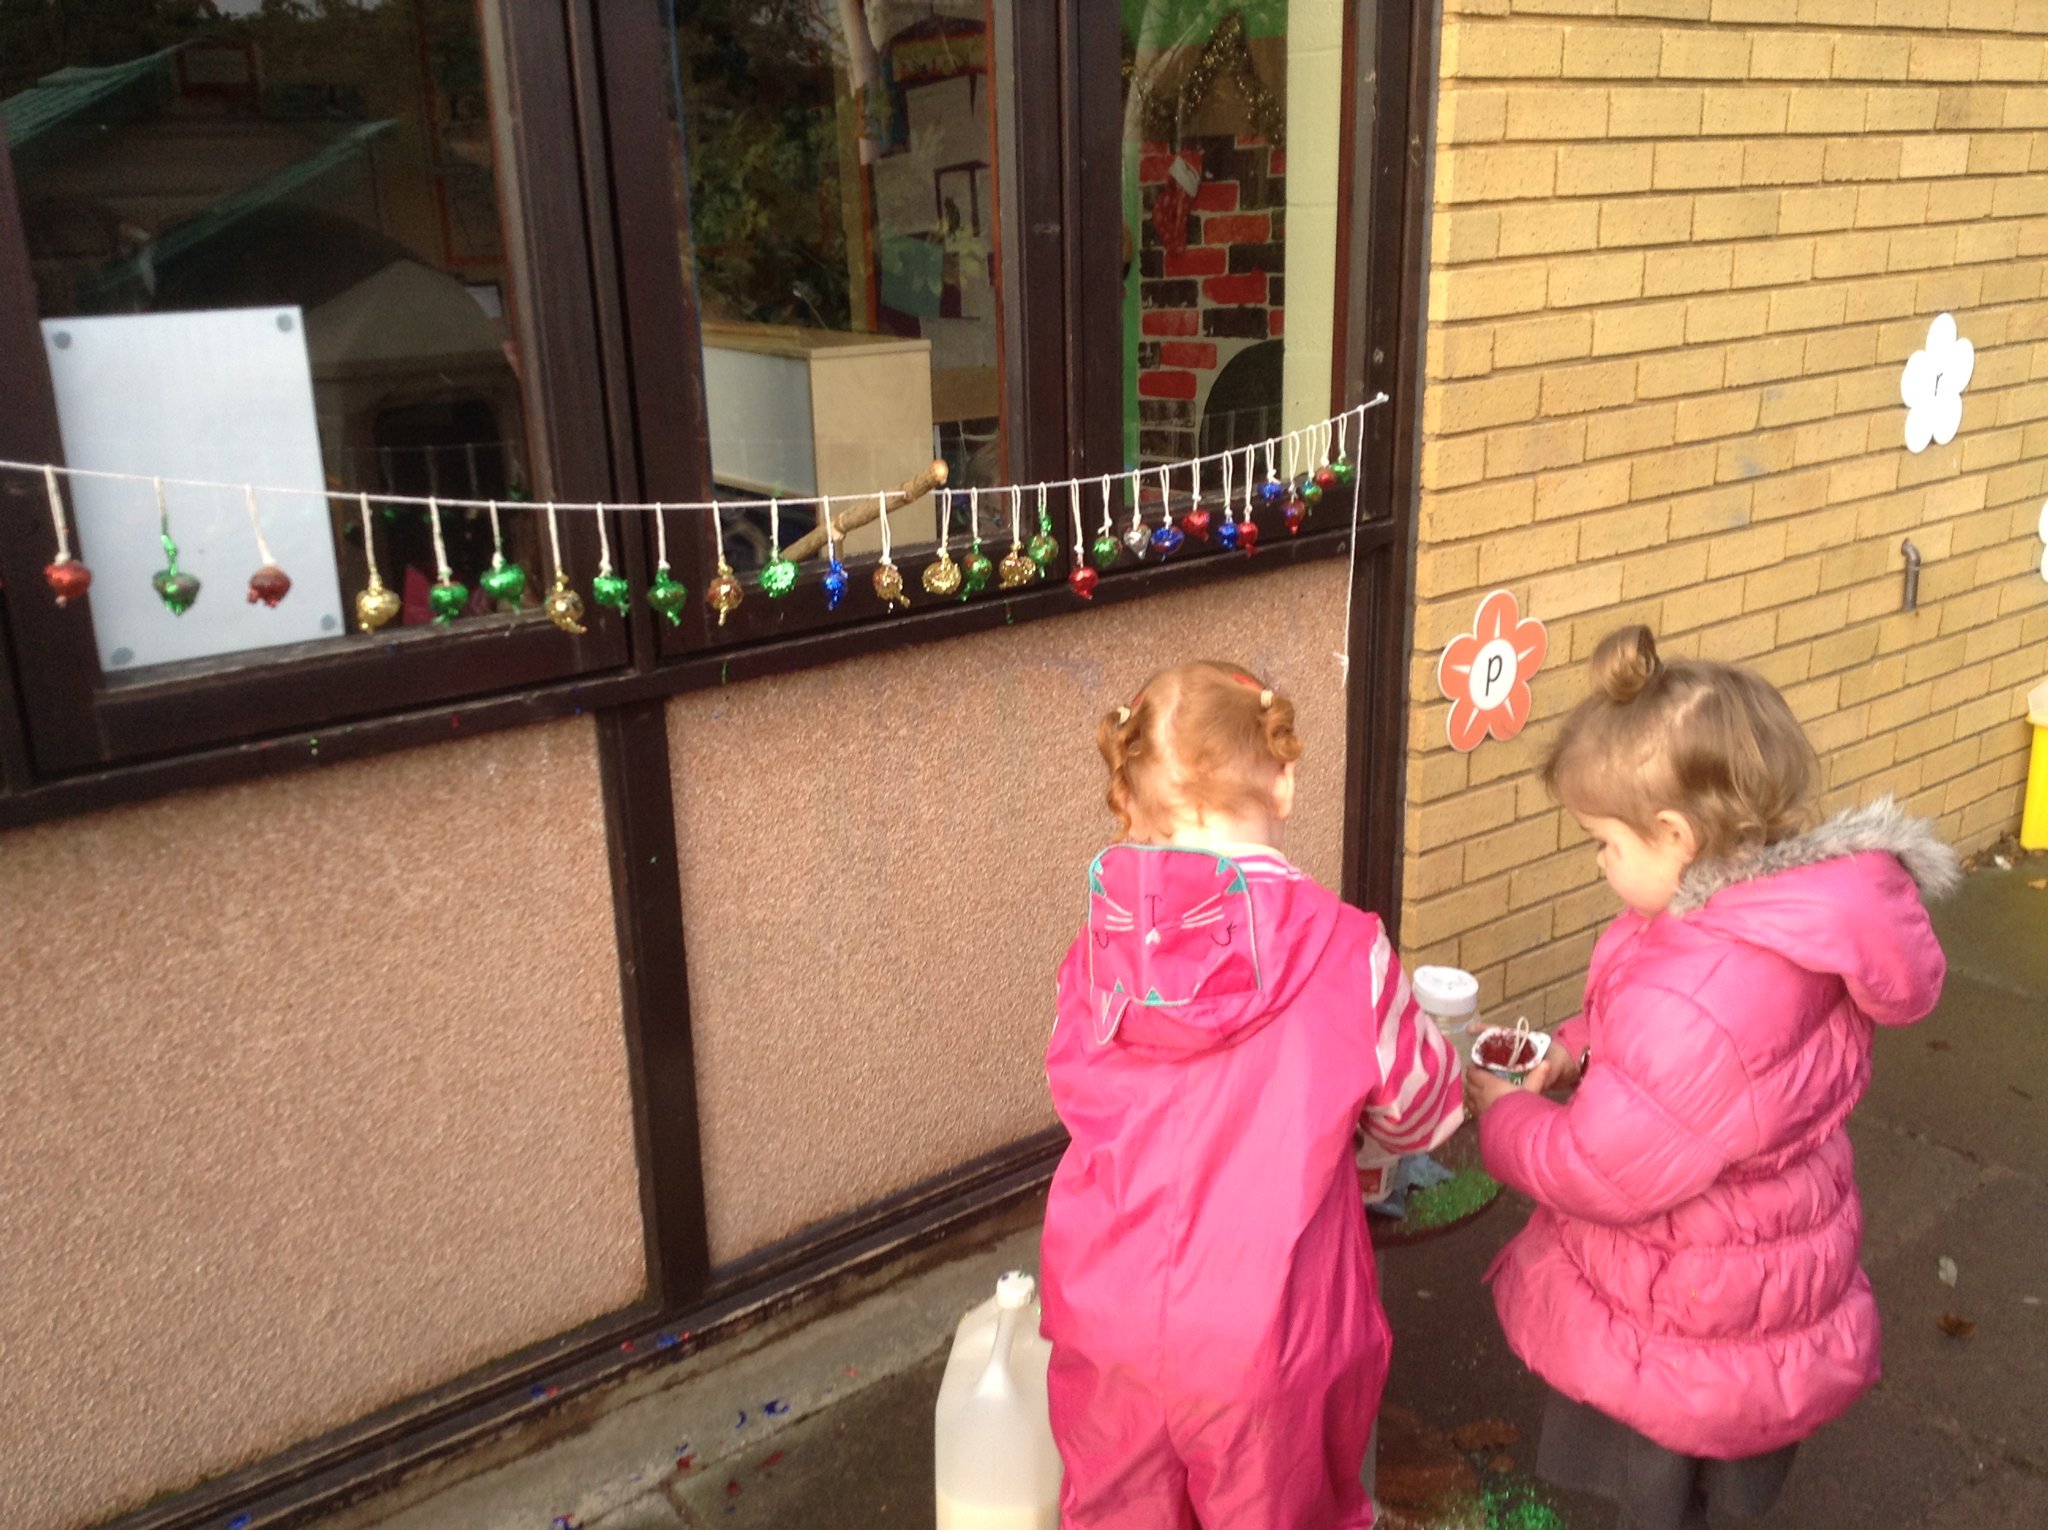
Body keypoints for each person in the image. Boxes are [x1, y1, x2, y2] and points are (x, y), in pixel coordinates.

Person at [1465, 625, 1958, 1530]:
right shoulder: (1766, 918)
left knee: (1659, 1475)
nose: (1600, 863)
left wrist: (1503, 1118)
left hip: (1688, 1300)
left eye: (1603, 843)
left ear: (1675, 835)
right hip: (1760, 1264)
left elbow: (1600, 1167)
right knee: (1720, 1468)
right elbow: (1659, 1043)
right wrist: (1577, 1046)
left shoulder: (1700, 994)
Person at [1040, 660, 1463, 1530]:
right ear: (1286, 778)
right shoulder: (1347, 950)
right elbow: (1423, 1110)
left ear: (1132, 801)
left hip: (1104, 1312)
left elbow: (1074, 1090)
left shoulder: (1095, 953)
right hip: (1270, 1335)